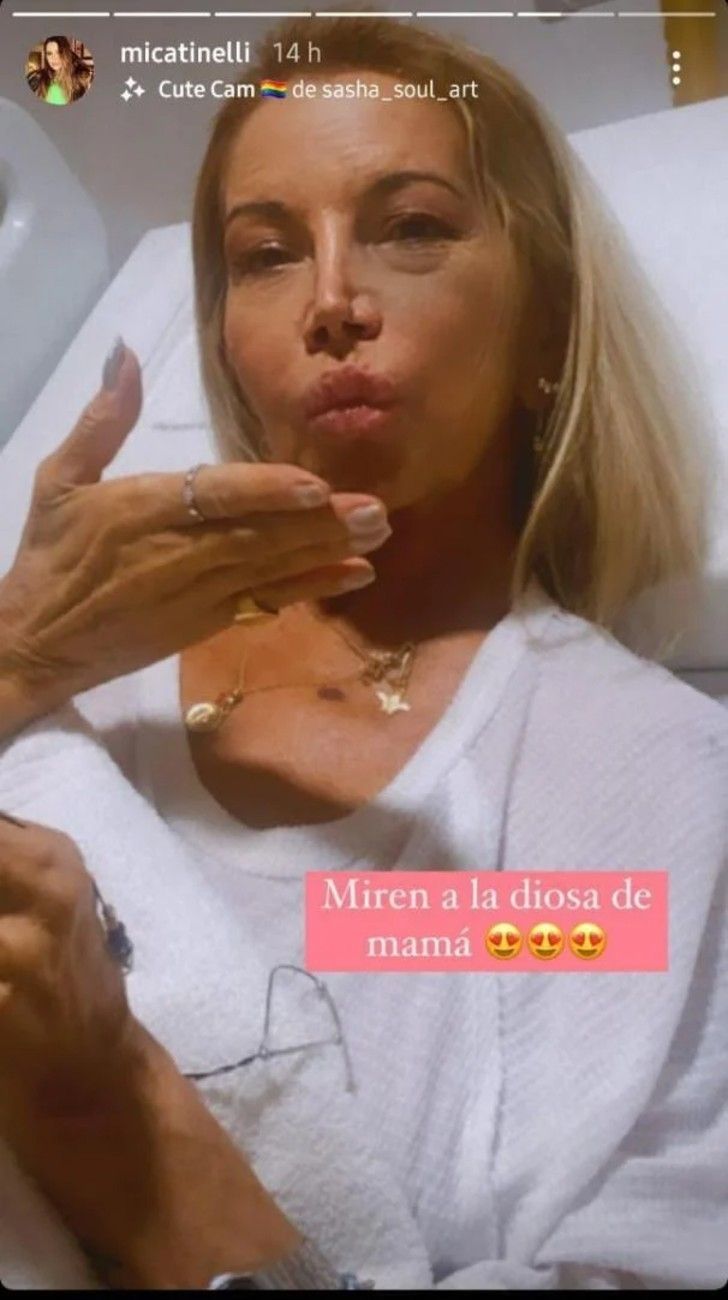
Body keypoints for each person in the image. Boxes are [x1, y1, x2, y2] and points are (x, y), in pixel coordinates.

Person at [1, 9, 727, 1291]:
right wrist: (15, 658)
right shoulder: (67, 666)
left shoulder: (643, 786)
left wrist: (110, 1109)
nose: (332, 301)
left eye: (411, 228)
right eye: (265, 255)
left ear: (546, 324)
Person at [27, 36, 92, 107]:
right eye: (49, 53)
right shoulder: (38, 78)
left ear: (66, 53)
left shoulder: (80, 79)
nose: (54, 58)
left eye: (58, 52)